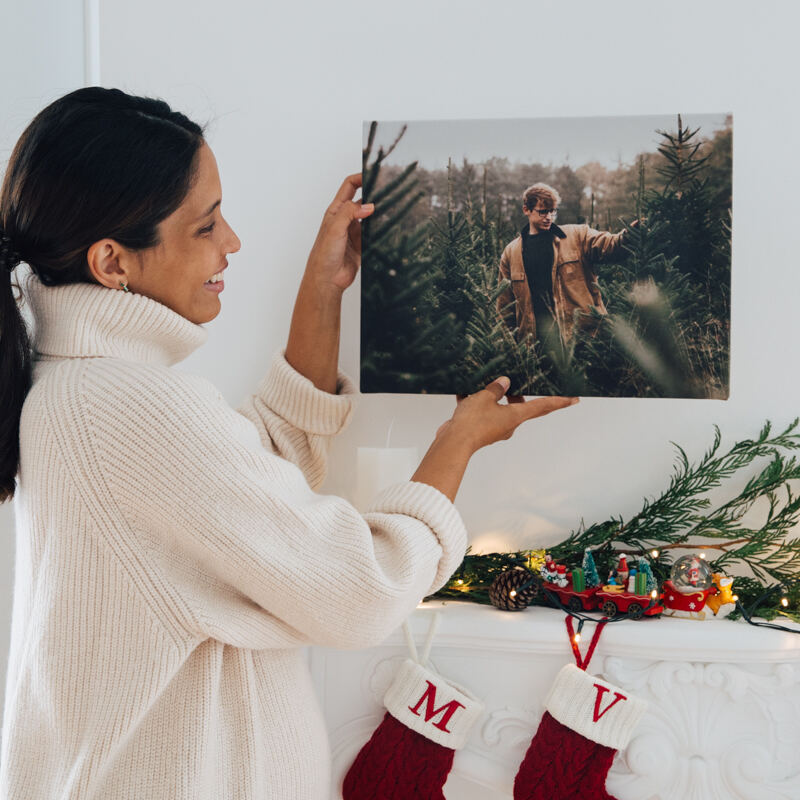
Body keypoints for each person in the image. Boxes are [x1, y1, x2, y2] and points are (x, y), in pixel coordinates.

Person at [0, 88, 577, 799]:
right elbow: (359, 590)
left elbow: (247, 496)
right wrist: (459, 442)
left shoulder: (79, 389)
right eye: (205, 225)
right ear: (113, 263)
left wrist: (324, 291)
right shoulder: (128, 407)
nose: (232, 242)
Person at [496, 182, 628, 353]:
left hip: (581, 342)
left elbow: (609, 244)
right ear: (526, 210)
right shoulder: (511, 252)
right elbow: (504, 305)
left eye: (553, 211)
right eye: (543, 211)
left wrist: (628, 236)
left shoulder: (577, 235)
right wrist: (509, 347)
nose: (549, 217)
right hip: (536, 348)